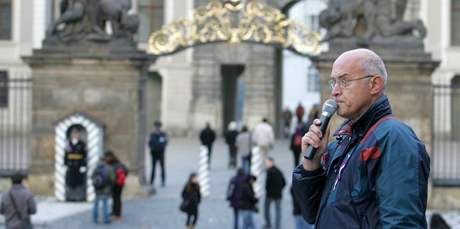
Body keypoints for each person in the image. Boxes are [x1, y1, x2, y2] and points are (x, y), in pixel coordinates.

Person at [292, 48, 430, 228]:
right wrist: (312, 165)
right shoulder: (343, 142)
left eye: (344, 81)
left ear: (374, 84)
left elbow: (401, 223)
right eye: (333, 82)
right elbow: (313, 214)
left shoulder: (393, 139)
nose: (335, 91)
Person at [64, 126, 87, 201]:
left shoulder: (82, 144)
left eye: (76, 133)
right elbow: (65, 155)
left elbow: (84, 156)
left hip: (79, 166)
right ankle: (70, 197)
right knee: (70, 182)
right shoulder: (68, 144)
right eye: (73, 134)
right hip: (70, 166)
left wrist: (83, 165)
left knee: (79, 183)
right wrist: (65, 164)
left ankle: (79, 197)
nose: (75, 135)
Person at [104, 151, 128, 220]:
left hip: (117, 184)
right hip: (117, 184)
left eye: (107, 157)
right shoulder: (117, 163)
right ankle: (114, 212)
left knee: (117, 199)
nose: (106, 159)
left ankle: (117, 214)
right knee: (115, 198)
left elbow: (124, 171)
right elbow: (126, 170)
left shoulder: (115, 165)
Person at [91, 156, 115, 224]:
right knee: (105, 205)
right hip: (106, 189)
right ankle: (106, 219)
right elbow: (113, 179)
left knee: (95, 205)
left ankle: (95, 218)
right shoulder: (109, 168)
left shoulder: (96, 168)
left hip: (97, 189)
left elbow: (92, 177)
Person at [263, 157, 286, 229]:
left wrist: (267, 190)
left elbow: (267, 184)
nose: (266, 164)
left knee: (266, 209)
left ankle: (268, 224)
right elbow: (284, 182)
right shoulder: (279, 171)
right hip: (278, 194)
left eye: (267, 163)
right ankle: (277, 226)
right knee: (278, 211)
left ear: (271, 162)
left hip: (270, 195)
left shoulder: (269, 171)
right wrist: (280, 189)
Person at [148, 120, 168, 187]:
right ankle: (151, 181)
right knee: (153, 168)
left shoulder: (163, 134)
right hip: (154, 153)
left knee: (162, 167)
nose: (157, 128)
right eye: (156, 126)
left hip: (161, 153)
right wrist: (152, 148)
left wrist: (161, 148)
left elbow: (165, 143)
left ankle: (163, 181)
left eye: (158, 126)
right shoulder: (152, 134)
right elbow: (149, 143)